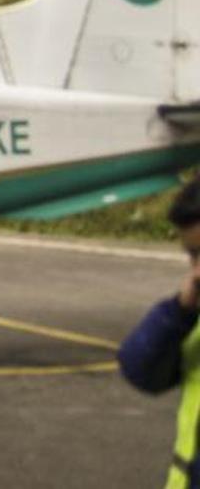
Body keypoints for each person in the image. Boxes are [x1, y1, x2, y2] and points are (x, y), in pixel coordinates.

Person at [117, 177, 200, 488]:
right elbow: (140, 369)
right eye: (193, 256)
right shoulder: (191, 319)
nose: (198, 272)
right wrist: (178, 312)